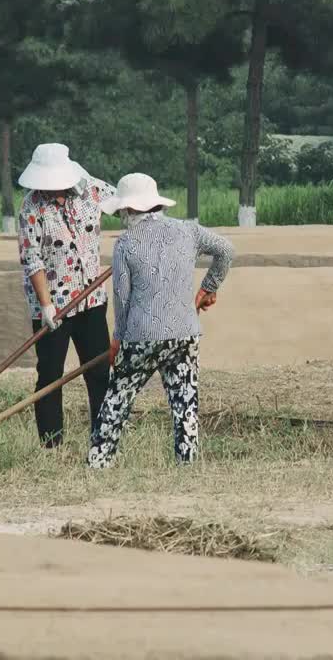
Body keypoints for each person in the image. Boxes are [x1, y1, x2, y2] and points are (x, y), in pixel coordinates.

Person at [87, 173, 235, 469]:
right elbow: (227, 250)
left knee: (117, 398)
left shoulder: (125, 244)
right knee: (185, 401)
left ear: (128, 210)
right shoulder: (188, 231)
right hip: (184, 332)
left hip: (141, 334)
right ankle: (187, 464)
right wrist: (210, 287)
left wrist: (117, 339)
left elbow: (123, 298)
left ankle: (99, 462)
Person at [16, 143, 115, 449]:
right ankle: (52, 444)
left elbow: (125, 202)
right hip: (53, 307)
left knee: (99, 370)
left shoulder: (89, 191)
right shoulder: (31, 209)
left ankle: (103, 439)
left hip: (91, 300)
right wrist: (46, 305)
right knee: (50, 375)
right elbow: (32, 259)